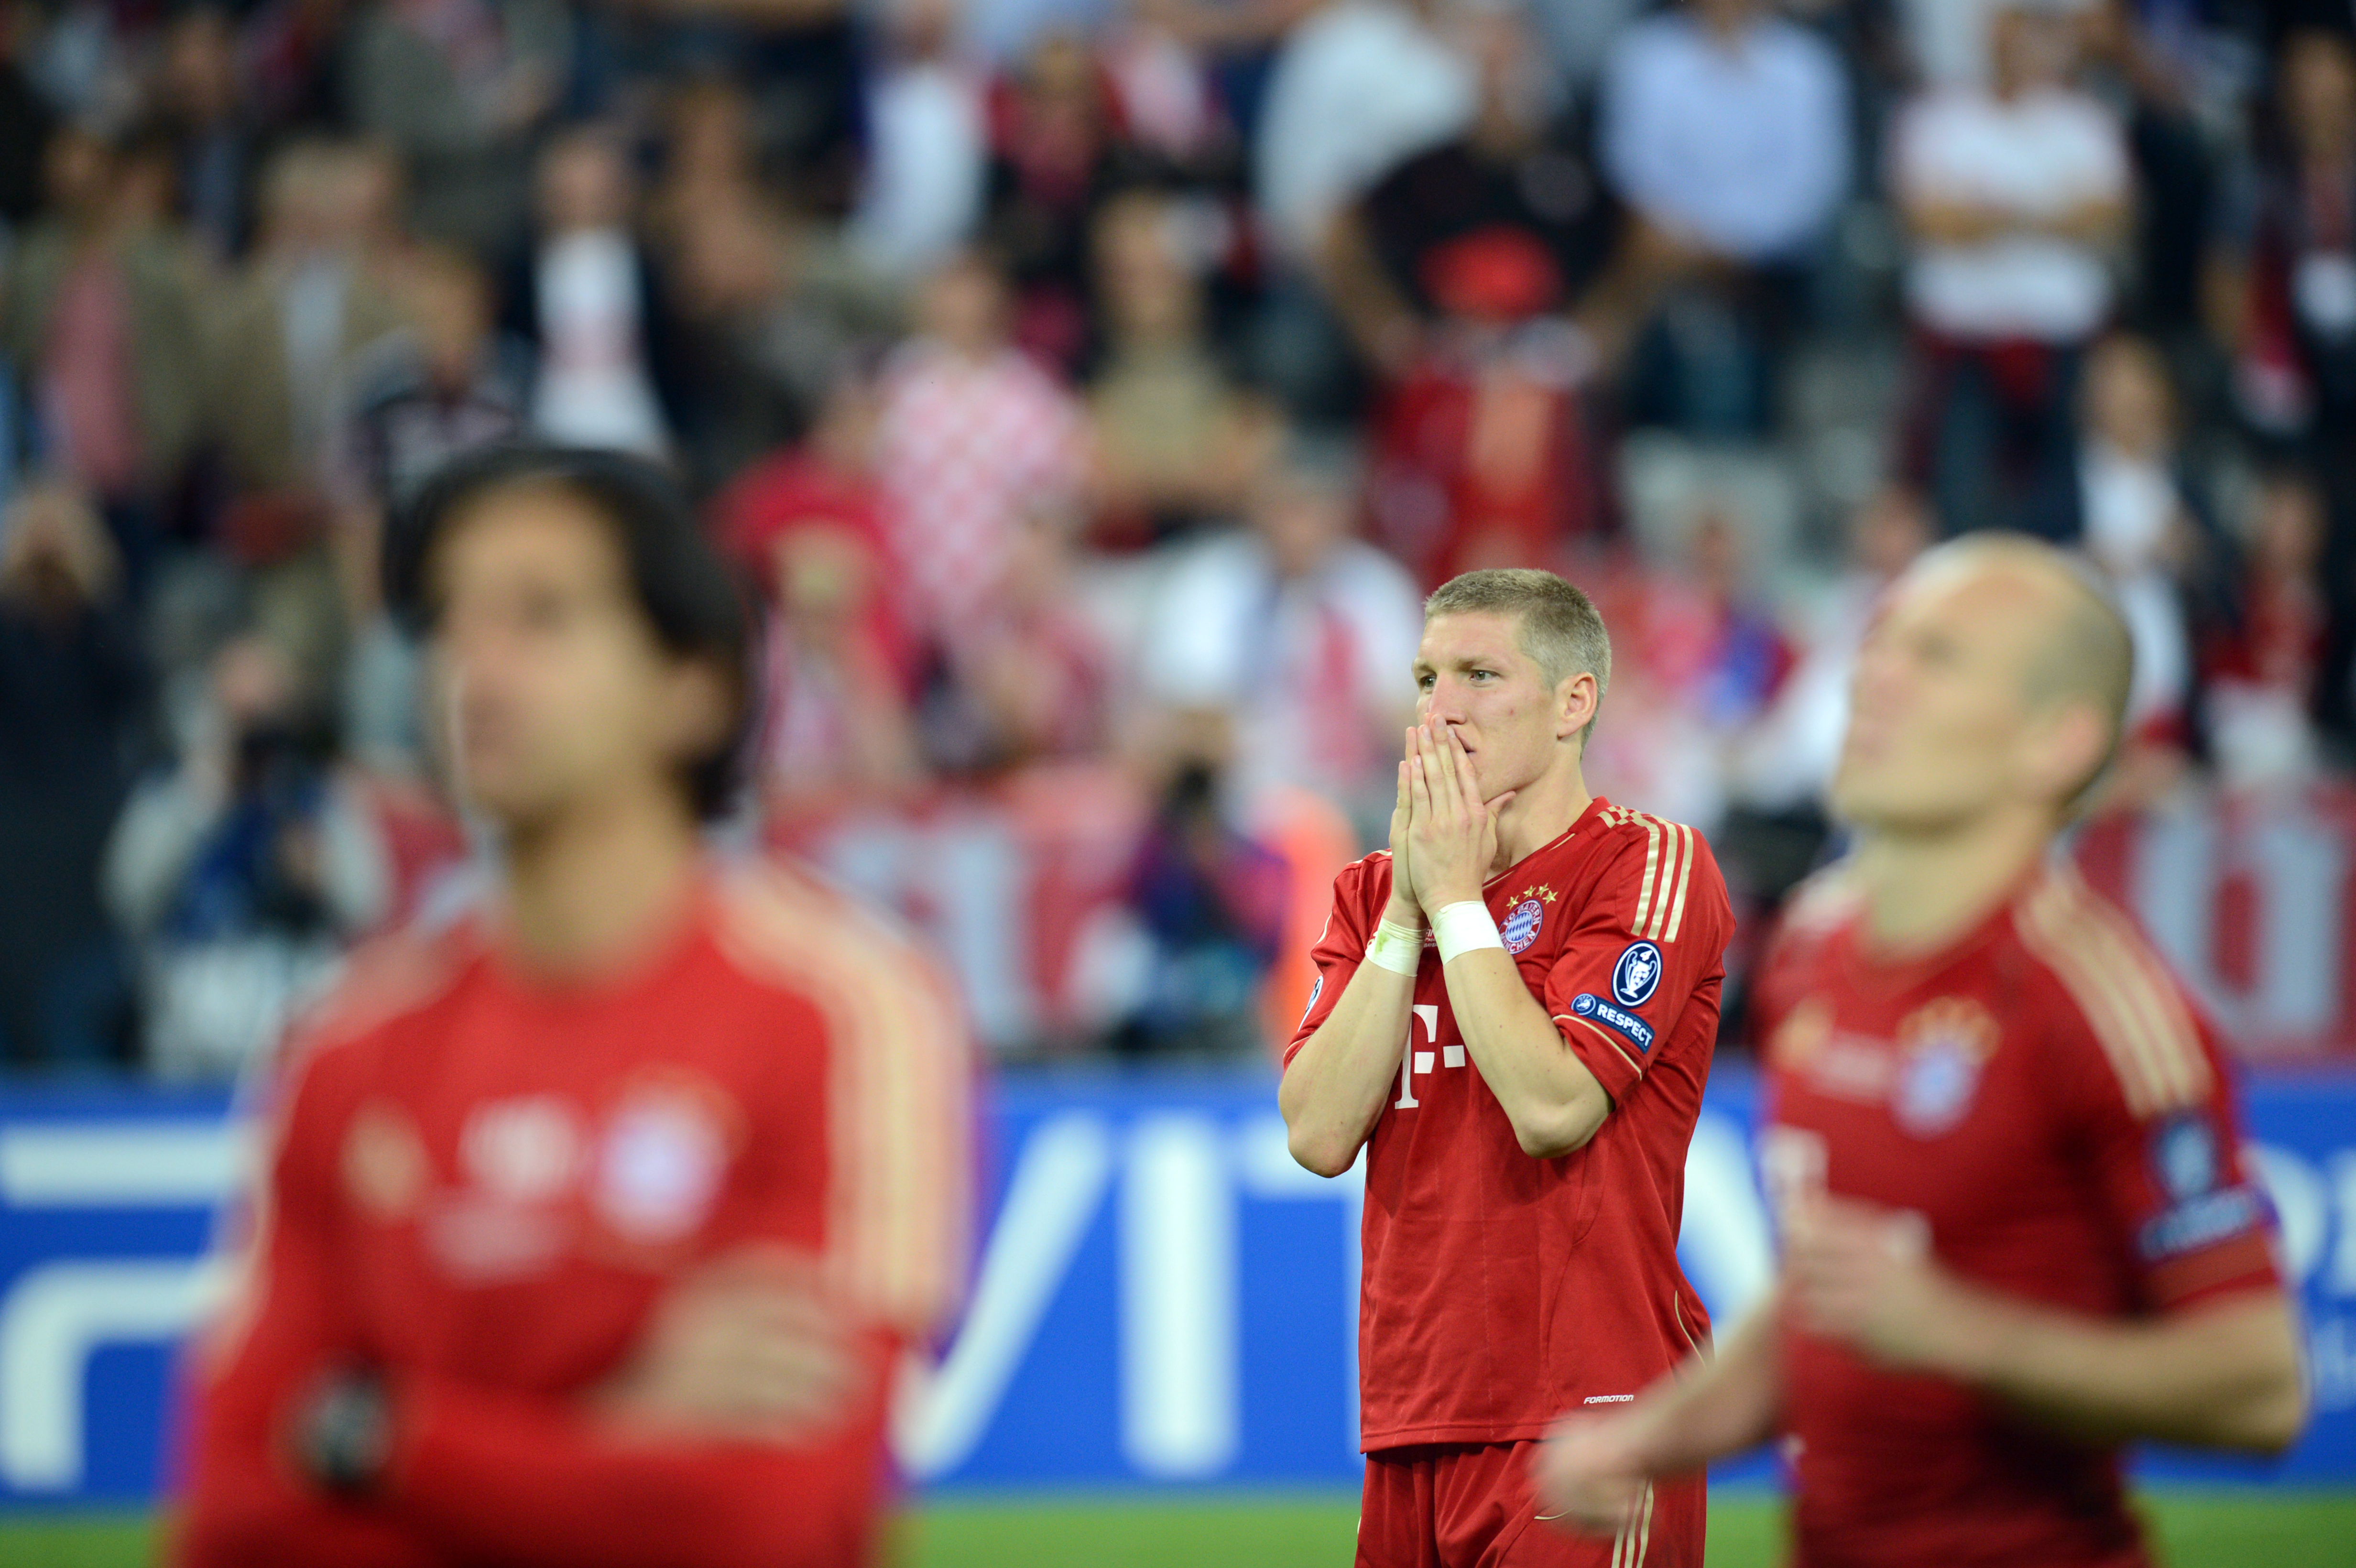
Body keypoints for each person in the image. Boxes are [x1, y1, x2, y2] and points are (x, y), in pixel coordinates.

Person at [171, 446, 972, 1567]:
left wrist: (382, 1435)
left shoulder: (840, 1009)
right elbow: (239, 1520)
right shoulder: (346, 1043)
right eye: (450, 618)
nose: (474, 666)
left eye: (541, 615)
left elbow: (775, 1518)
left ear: (693, 688)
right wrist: (607, 1438)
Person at [1535, 537, 2309, 1568]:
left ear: (2058, 742)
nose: (1873, 676)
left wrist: (1959, 1332)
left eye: (1935, 657)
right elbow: (1834, 1295)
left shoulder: (2096, 1007)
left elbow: (2258, 1384)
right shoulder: (1813, 944)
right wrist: (1647, 1438)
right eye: (1881, 642)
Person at [1279, 567, 1734, 1568]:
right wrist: (1407, 908)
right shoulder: (1371, 894)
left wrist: (1451, 902)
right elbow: (1315, 1133)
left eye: (1480, 675)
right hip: (1411, 1414)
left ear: (1574, 701)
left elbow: (1553, 1102)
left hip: (1591, 1412)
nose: (1441, 710)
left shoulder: (1647, 864)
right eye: (1425, 678)